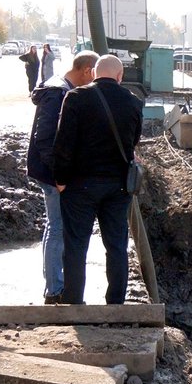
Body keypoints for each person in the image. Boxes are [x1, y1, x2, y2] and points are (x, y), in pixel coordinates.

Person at [52, 54, 143, 304]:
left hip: (79, 186)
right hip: (118, 187)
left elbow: (63, 144)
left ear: (93, 73)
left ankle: (74, 301)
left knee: (76, 247)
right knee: (116, 247)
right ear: (120, 76)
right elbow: (133, 141)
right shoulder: (133, 102)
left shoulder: (76, 98)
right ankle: (115, 303)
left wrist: (60, 180)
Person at [26, 51, 99, 304]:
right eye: (95, 76)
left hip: (53, 172)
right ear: (88, 70)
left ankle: (56, 287)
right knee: (57, 228)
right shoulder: (58, 93)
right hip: (52, 174)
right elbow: (44, 138)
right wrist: (58, 175)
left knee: (56, 227)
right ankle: (55, 290)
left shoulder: (59, 88)